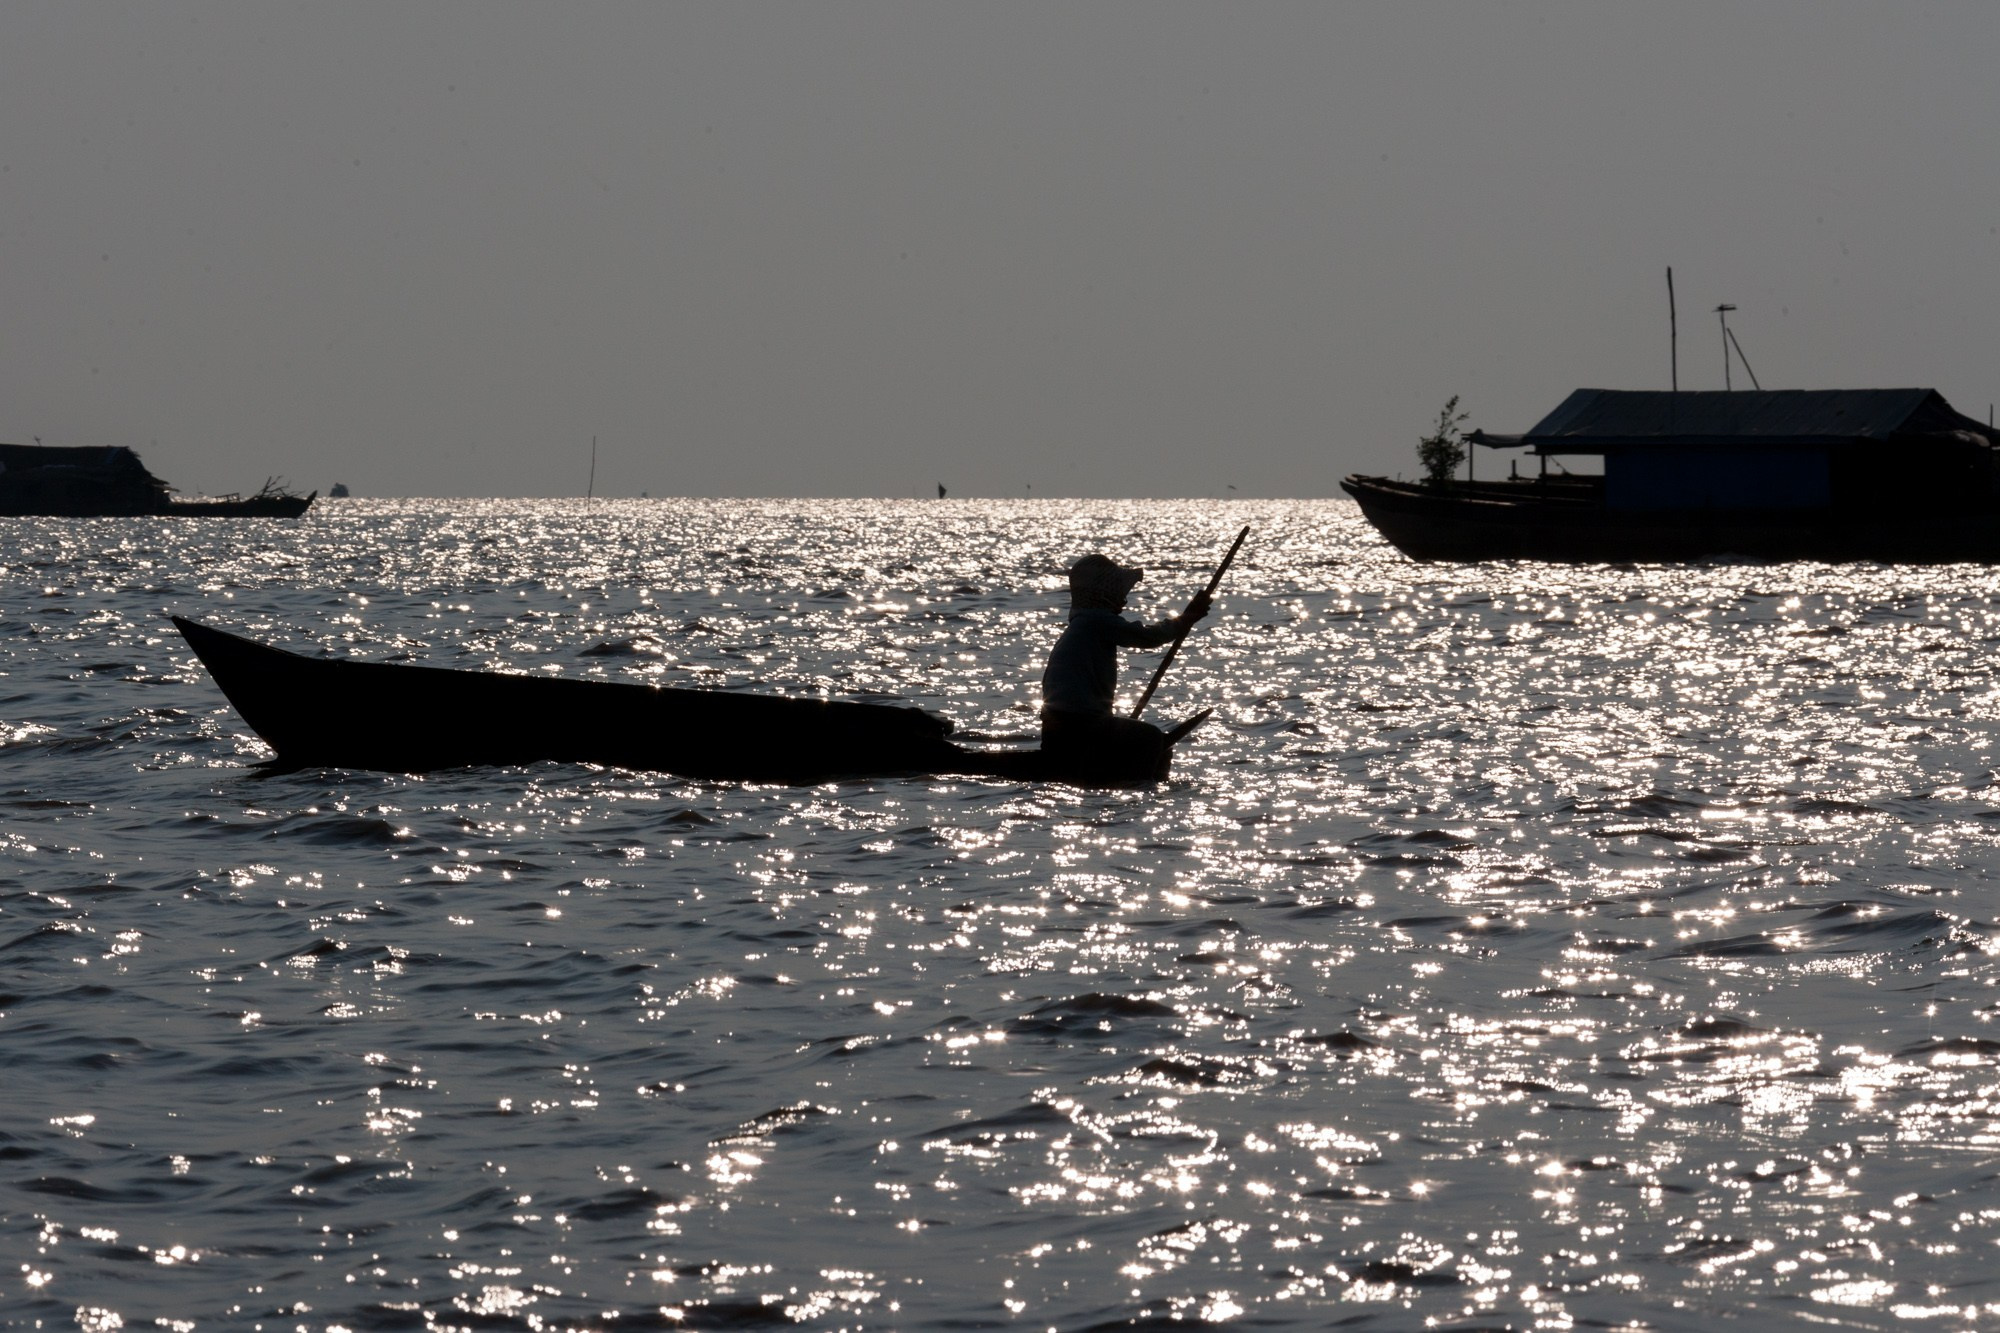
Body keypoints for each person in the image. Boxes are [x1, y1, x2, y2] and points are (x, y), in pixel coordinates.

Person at [1040, 552, 1211, 771]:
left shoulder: (1081, 624)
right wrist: (1186, 620)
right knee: (1153, 739)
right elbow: (1148, 637)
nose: (1123, 601)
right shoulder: (1095, 621)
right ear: (1103, 594)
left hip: (1060, 729)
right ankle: (1140, 782)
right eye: (1117, 594)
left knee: (1152, 743)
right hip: (1077, 727)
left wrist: (1186, 619)